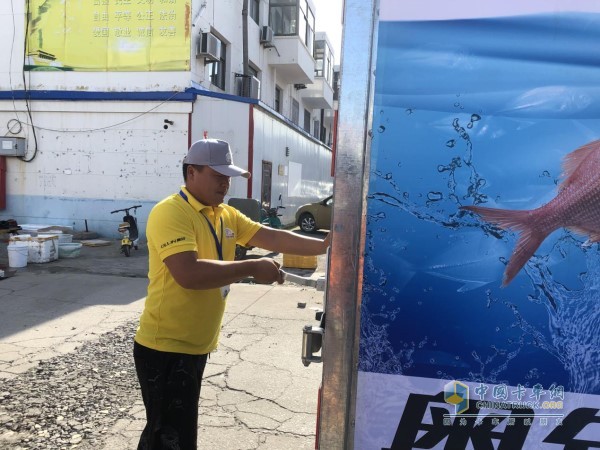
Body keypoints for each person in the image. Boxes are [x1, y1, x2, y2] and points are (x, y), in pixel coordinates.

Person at [133, 138, 330, 449]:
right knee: (167, 436)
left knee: (176, 434)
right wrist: (250, 269)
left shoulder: (224, 213)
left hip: (195, 344)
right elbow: (188, 273)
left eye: (228, 177)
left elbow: (268, 235)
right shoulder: (170, 212)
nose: (225, 184)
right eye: (218, 176)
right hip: (166, 347)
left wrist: (322, 244)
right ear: (192, 173)